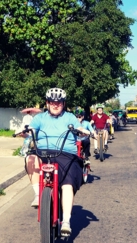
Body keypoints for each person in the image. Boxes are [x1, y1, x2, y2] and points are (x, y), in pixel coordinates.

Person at [24, 88, 92, 236]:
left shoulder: (69, 117)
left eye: (59, 102)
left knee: (67, 184)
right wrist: (25, 131)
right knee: (30, 158)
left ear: (63, 103)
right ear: (47, 103)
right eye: (52, 102)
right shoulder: (40, 118)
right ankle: (38, 195)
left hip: (66, 155)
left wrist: (83, 131)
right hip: (42, 153)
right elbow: (32, 129)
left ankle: (66, 221)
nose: (56, 105)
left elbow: (78, 127)